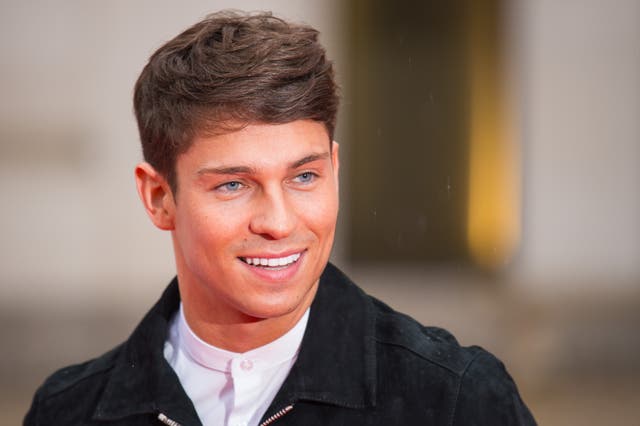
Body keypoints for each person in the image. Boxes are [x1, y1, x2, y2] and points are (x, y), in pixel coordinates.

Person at [24, 11, 536, 426]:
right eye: (233, 184)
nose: (278, 221)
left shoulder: (454, 401)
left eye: (304, 177)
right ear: (159, 197)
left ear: (334, 169)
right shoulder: (68, 411)